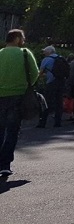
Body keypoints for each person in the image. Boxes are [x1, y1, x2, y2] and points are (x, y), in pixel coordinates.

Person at [0, 29, 39, 177]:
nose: (24, 40)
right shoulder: (24, 53)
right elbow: (35, 73)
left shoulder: (0, 53)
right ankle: (5, 164)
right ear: (16, 39)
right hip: (18, 96)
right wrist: (25, 86)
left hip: (0, 96)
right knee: (12, 131)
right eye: (22, 38)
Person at [37, 45, 66, 128]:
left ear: (49, 52)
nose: (44, 52)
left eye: (45, 51)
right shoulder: (61, 58)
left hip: (51, 82)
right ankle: (58, 122)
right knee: (59, 102)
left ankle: (42, 122)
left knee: (46, 102)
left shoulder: (46, 59)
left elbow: (40, 72)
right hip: (61, 82)